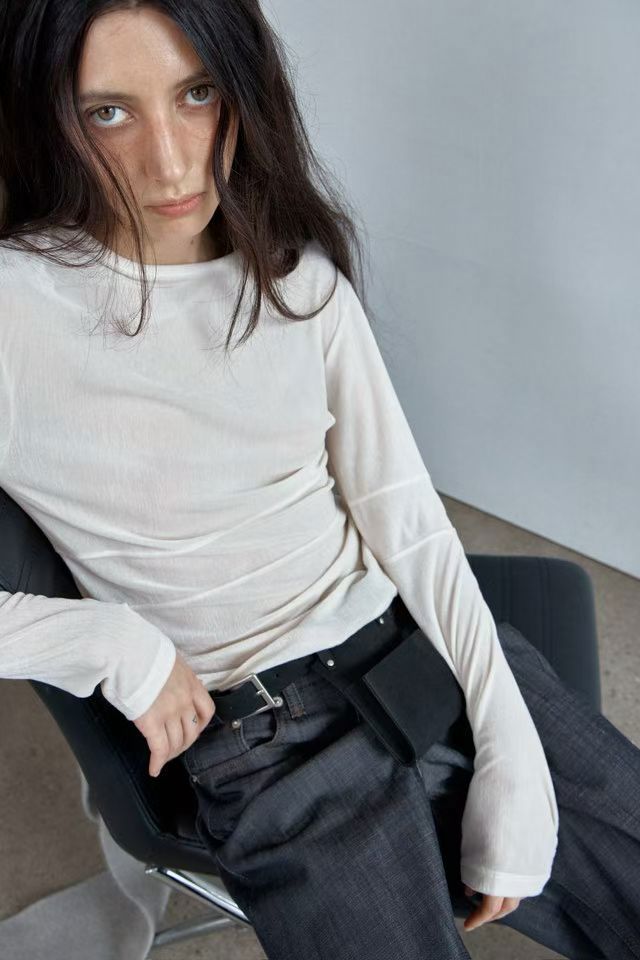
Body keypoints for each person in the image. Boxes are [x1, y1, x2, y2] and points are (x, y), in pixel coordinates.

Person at [0, 3, 638, 958]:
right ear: (48, 115)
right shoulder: (17, 308)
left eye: (196, 94)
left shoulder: (298, 283)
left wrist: (510, 746)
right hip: (263, 742)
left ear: (242, 89)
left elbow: (407, 519)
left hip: (416, 646)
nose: (171, 164)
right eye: (109, 112)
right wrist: (105, 642)